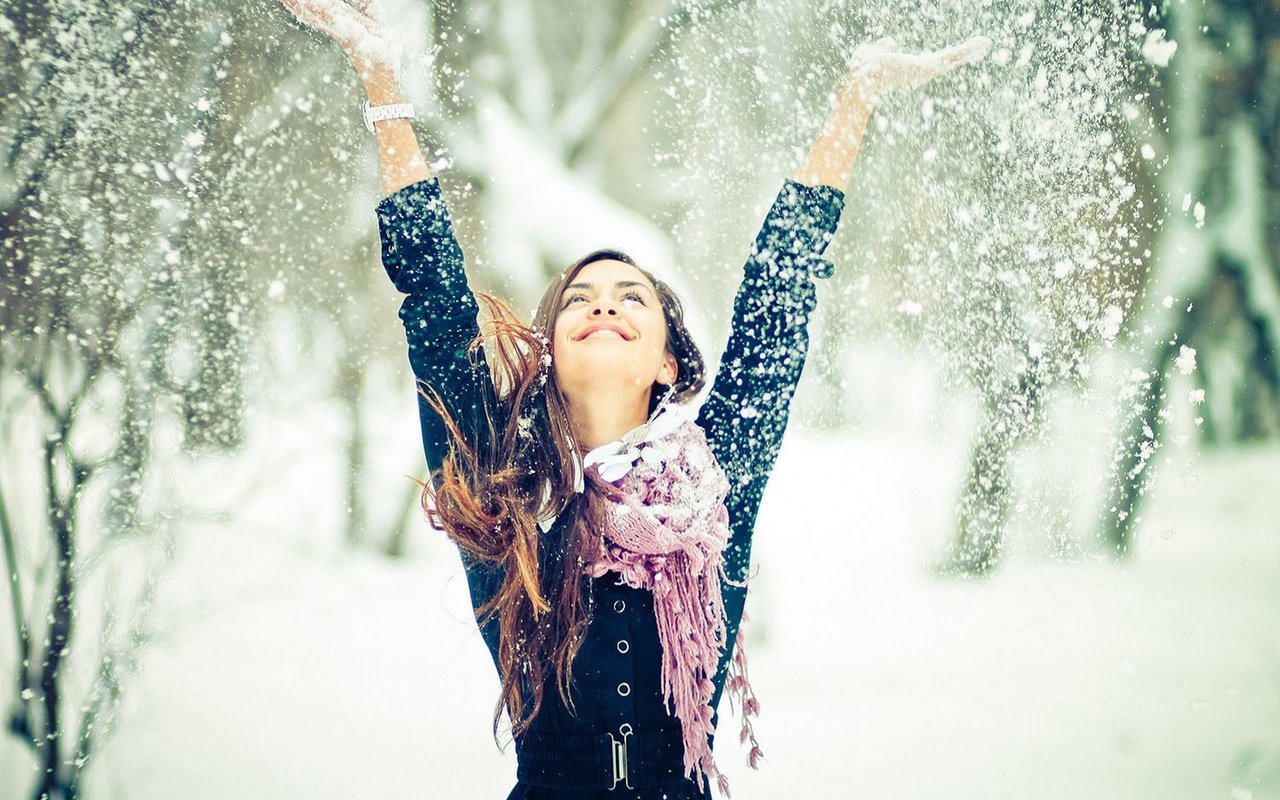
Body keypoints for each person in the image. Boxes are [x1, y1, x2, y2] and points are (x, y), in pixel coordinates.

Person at [277, 1, 989, 797]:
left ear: (665, 361)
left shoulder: (717, 481)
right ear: (549, 351)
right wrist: (380, 73)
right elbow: (436, 305)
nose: (605, 305)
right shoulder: (503, 484)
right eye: (581, 299)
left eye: (632, 298)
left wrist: (854, 99)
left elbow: (778, 296)